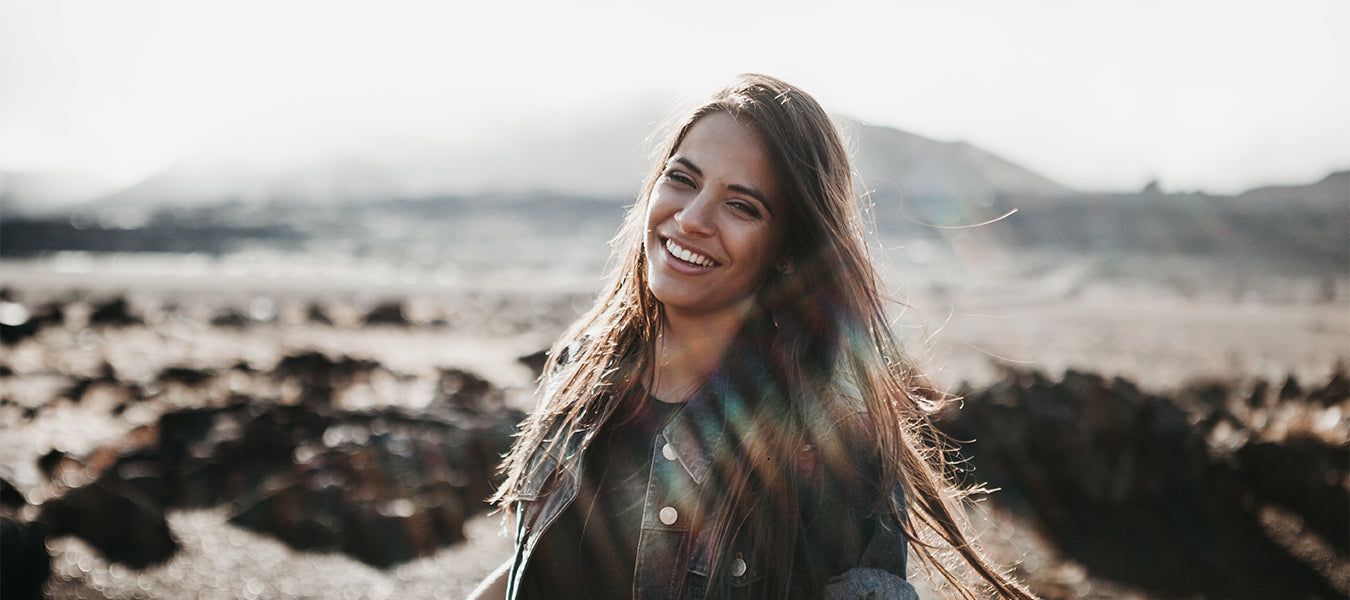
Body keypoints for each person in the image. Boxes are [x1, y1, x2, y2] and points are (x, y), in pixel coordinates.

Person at [468, 74, 1035, 600]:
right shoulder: (579, 366)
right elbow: (536, 565)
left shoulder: (826, 434)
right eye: (682, 179)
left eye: (741, 205)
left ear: (788, 250)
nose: (692, 218)